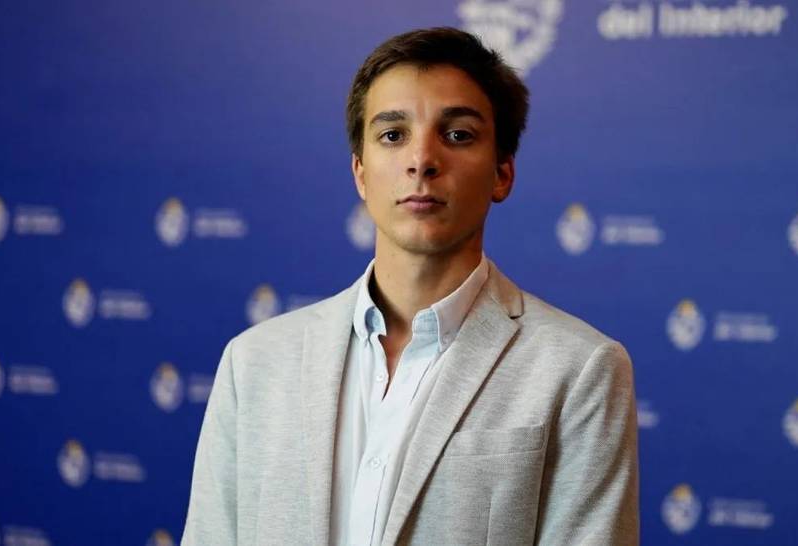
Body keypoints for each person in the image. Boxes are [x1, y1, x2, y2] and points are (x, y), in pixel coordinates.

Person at [181, 27, 638, 546]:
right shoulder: (254, 363)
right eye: (393, 135)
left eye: (458, 135)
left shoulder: (579, 370)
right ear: (360, 172)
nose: (422, 160)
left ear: (502, 173)